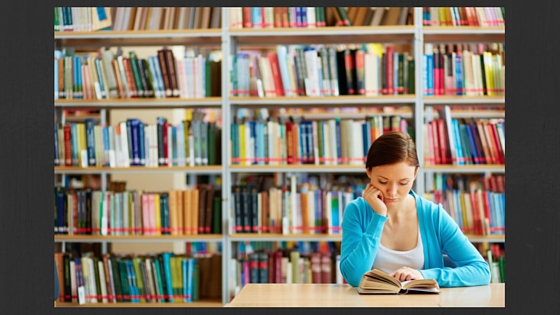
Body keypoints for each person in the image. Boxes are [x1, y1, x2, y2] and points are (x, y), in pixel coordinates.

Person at [340, 131, 491, 287]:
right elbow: (354, 277)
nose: (392, 192)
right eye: (383, 181)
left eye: (403, 182)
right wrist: (379, 216)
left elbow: (481, 271)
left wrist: (423, 275)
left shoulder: (433, 216)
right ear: (369, 172)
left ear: (415, 174)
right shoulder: (356, 211)